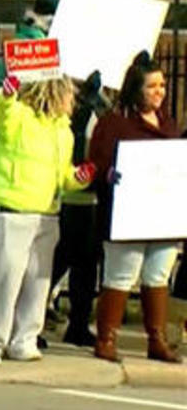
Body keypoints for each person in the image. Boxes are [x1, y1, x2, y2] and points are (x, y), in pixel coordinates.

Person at [0, 75, 94, 367]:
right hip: (11, 207)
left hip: (46, 212)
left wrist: (78, 178)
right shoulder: (19, 114)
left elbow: (62, 175)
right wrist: (6, 94)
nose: (73, 101)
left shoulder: (63, 130)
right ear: (55, 92)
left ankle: (25, 339)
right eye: (69, 94)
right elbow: (0, 115)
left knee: (37, 282)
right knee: (4, 278)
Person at [88, 52, 182, 364]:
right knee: (121, 275)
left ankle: (157, 340)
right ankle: (106, 339)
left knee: (158, 275)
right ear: (135, 89)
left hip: (163, 216)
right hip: (126, 216)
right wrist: (108, 174)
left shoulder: (169, 125)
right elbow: (96, 163)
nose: (159, 92)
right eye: (152, 86)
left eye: (162, 85)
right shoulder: (114, 124)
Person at [42, 70, 110, 348]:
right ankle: (41, 321)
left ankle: (78, 324)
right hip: (73, 197)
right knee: (62, 263)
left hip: (85, 197)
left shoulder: (97, 108)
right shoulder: (80, 110)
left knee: (82, 265)